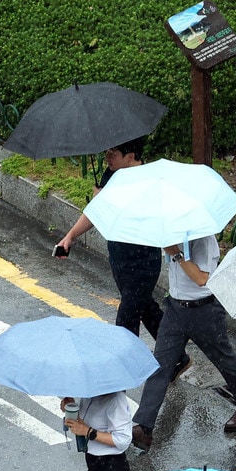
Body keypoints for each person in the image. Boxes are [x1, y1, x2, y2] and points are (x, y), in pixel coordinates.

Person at [132, 234, 236, 449]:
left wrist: (177, 254)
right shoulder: (173, 233)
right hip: (175, 309)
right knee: (159, 367)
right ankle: (144, 428)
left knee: (224, 360)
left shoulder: (203, 240)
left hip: (204, 310)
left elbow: (201, 278)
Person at [56, 138, 164, 343]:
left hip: (142, 262)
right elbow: (96, 213)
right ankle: (176, 354)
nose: (107, 157)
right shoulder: (111, 175)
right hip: (119, 259)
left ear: (130, 157)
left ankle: (128, 368)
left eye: (113, 153)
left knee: (126, 321)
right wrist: (70, 236)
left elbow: (141, 217)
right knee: (146, 309)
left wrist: (106, 201)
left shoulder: (147, 182)